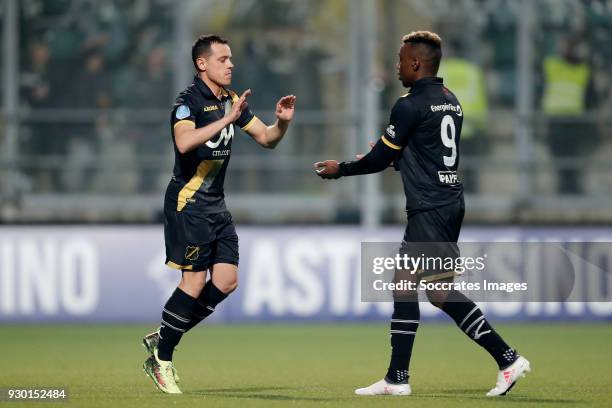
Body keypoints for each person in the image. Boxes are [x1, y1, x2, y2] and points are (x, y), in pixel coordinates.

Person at [314, 31, 529, 397]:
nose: (397, 67)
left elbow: (380, 159)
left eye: (400, 60)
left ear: (415, 63)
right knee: (439, 292)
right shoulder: (451, 100)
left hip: (430, 206)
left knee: (405, 283)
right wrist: (400, 156)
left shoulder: (409, 104)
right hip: (448, 202)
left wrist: (342, 169)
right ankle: (506, 360)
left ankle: (400, 379)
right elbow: (427, 154)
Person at [142, 34, 296, 394]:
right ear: (202, 64)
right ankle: (162, 360)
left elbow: (267, 139)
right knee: (194, 283)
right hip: (188, 204)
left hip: (216, 205)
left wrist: (282, 122)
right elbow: (184, 142)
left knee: (226, 281)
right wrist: (228, 119)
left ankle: (164, 336)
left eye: (231, 59)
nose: (230, 65)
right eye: (223, 59)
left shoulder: (230, 100)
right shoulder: (187, 104)